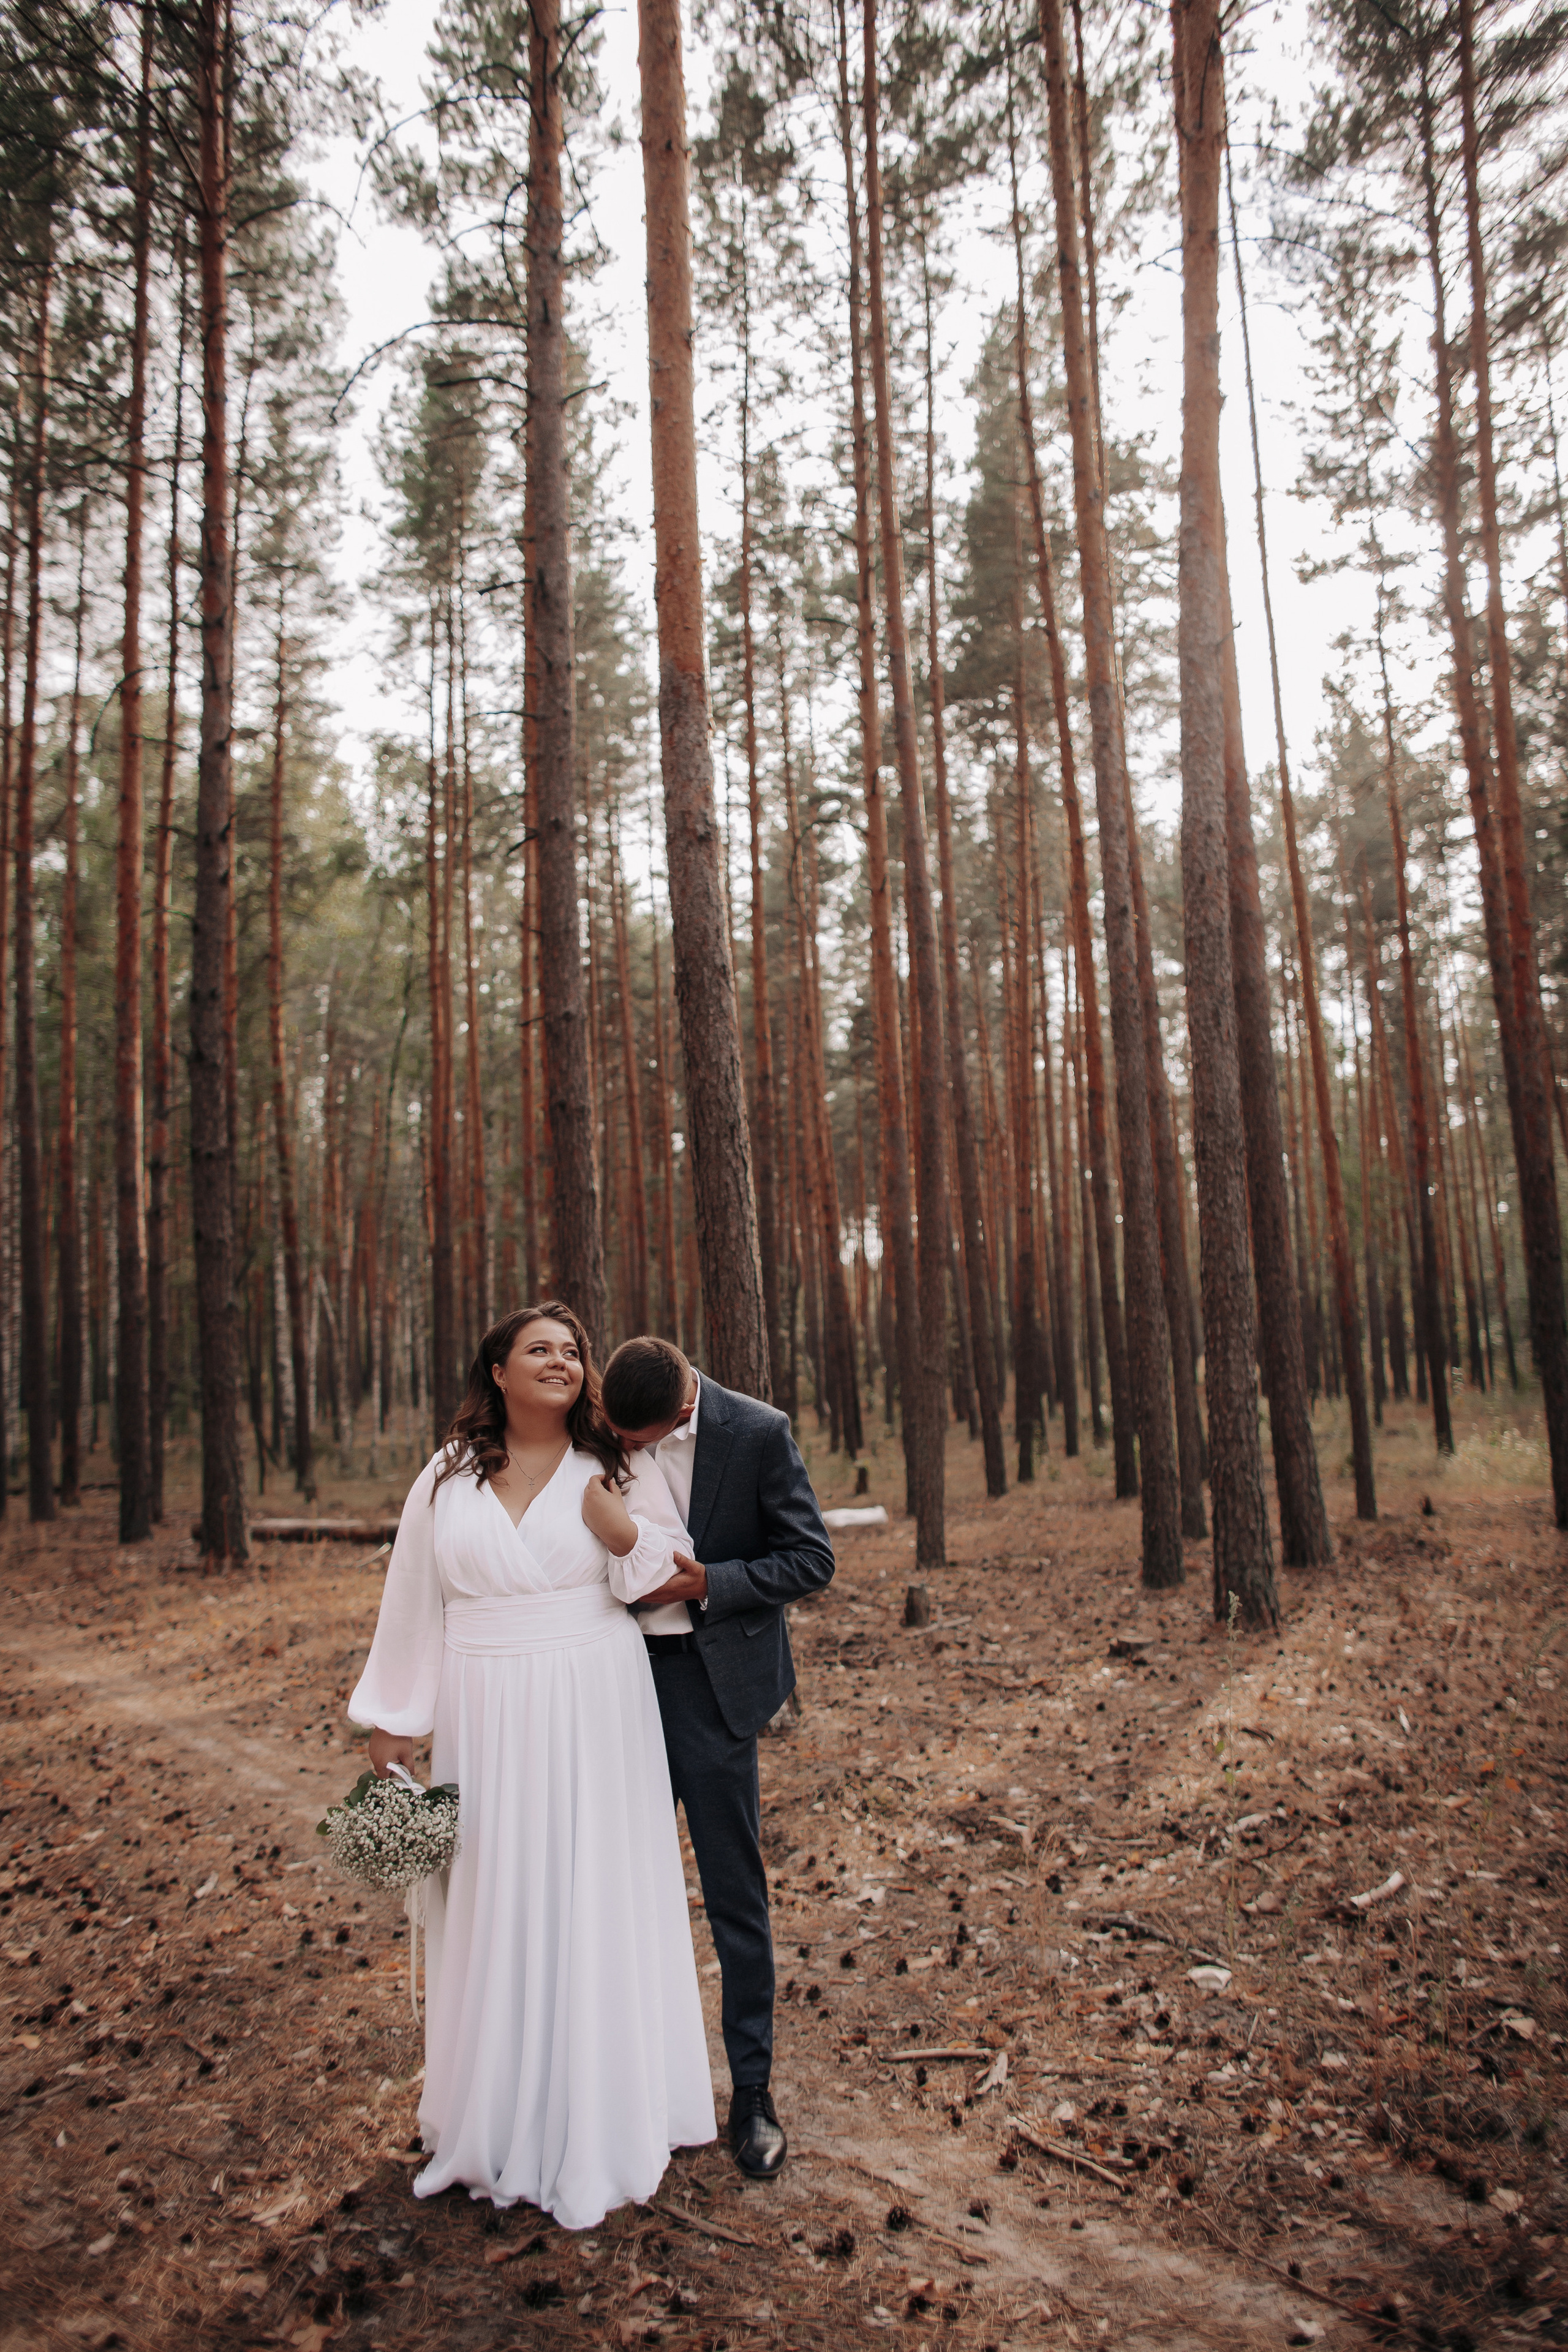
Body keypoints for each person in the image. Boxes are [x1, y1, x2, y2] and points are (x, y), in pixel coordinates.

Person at [348, 1303, 715, 2231]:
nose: (559, 1361)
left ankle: (603, 2118)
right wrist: (392, 1721)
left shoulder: (615, 1465)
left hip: (596, 1698)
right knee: (495, 1897)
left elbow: (673, 1575)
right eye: (537, 1350)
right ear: (499, 1372)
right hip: (485, 1707)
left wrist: (621, 1532)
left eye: (571, 1351)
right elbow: (413, 1600)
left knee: (590, 1895)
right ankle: (493, 2118)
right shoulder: (446, 1475)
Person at [600, 1335, 835, 2182]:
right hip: (614, 1688)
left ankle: (754, 2095)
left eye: (643, 1438)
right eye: (620, 1438)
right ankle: (621, 2091)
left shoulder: (760, 1433)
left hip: (714, 1689)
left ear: (687, 1408)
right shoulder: (609, 1423)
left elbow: (813, 1558)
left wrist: (711, 1584)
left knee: (735, 1895)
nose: (627, 1450)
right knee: (617, 1893)